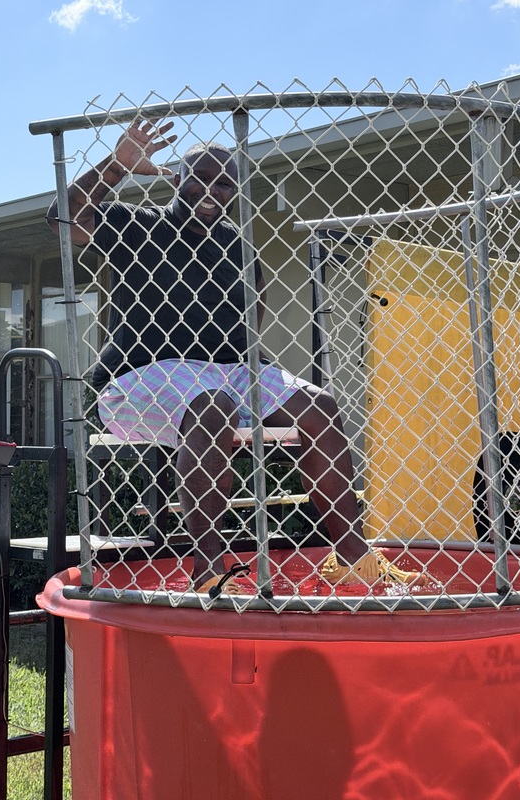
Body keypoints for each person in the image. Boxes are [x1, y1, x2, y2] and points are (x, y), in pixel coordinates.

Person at [47, 119, 427, 594]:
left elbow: (251, 318)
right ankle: (209, 567)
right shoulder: (140, 225)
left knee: (321, 406)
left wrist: (264, 376)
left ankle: (352, 555)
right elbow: (63, 218)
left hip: (228, 372)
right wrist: (116, 167)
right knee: (213, 406)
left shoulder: (237, 245)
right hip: (141, 377)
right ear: (178, 180)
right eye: (199, 178)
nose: (211, 189)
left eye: (223, 181)